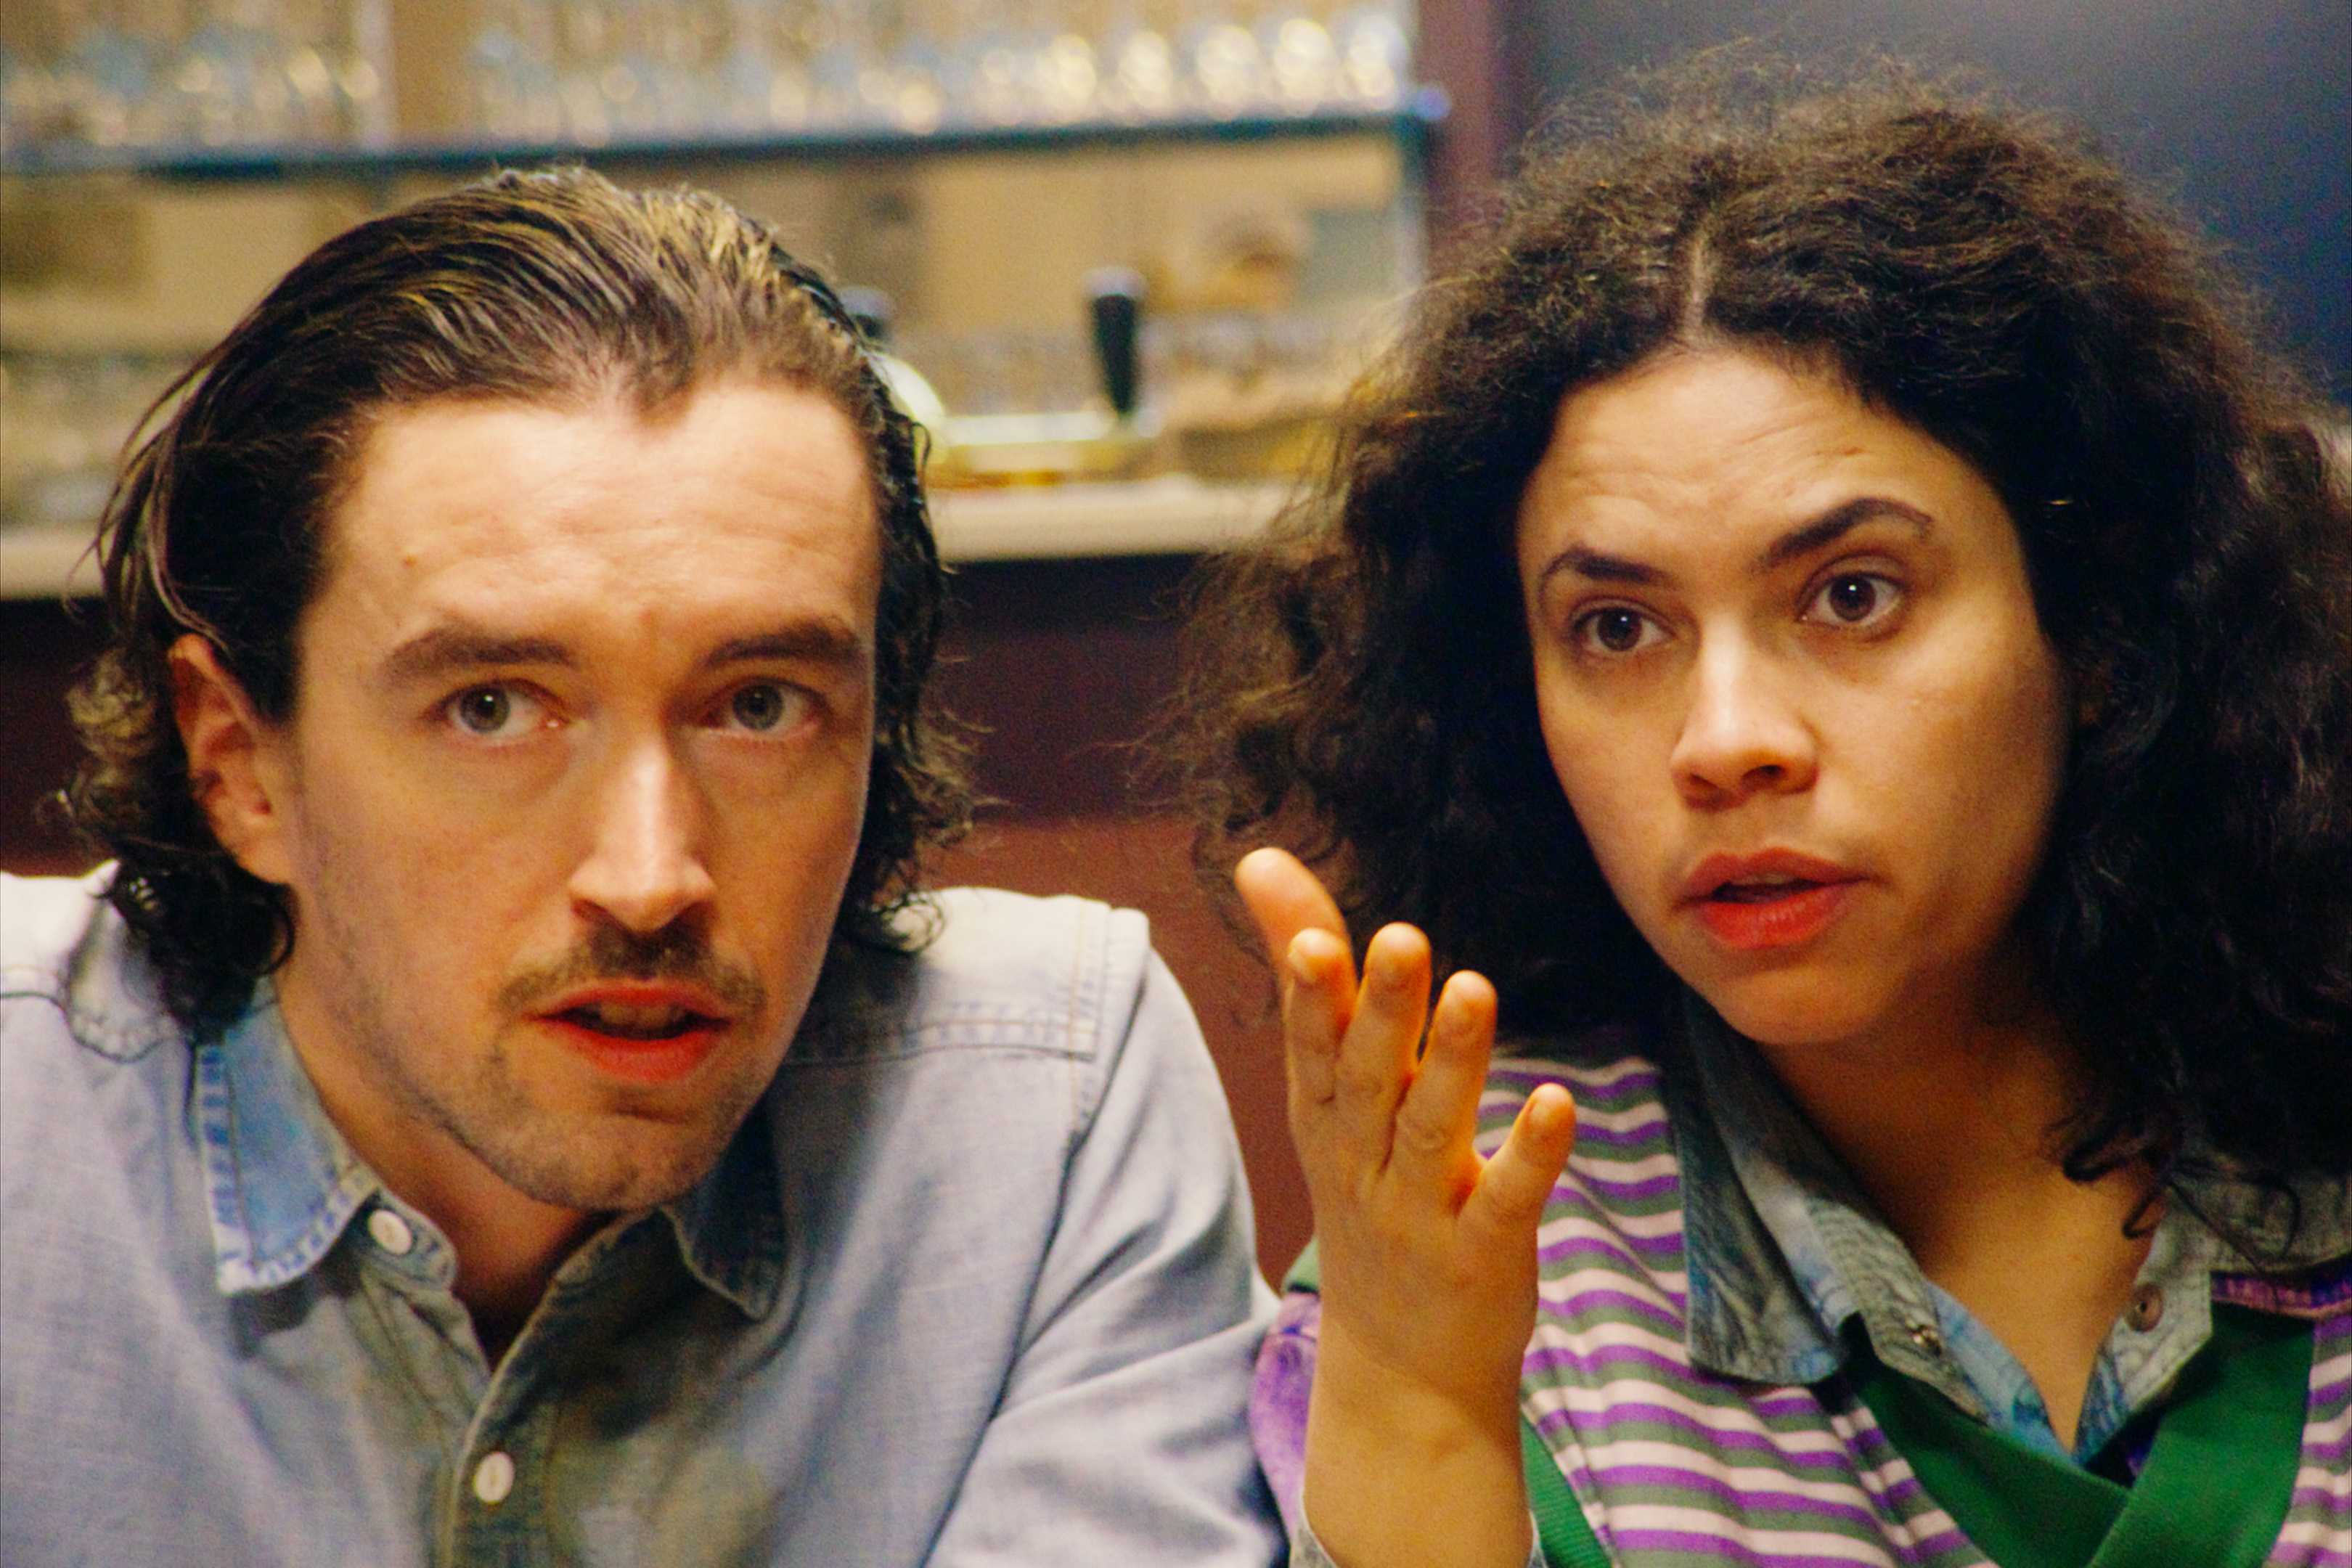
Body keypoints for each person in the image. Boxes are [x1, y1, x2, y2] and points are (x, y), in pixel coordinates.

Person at [0, 167, 1281, 1567]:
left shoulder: (1045, 1107)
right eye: (493, 708)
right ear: (242, 765)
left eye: (759, 707)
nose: (652, 877)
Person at [1185, 68, 2352, 1568]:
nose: (1726, 742)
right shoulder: (1477, 1242)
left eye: (1852, 596)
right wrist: (1420, 1416)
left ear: (2101, 627)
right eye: (1616, 628)